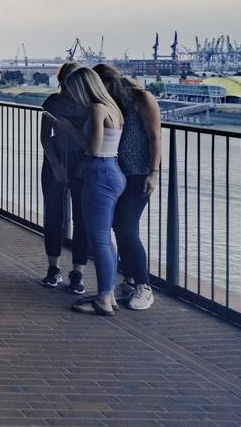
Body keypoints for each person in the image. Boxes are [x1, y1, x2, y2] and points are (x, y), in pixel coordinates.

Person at [43, 67, 126, 316]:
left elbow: (93, 148)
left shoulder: (97, 109)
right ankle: (108, 295)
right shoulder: (114, 107)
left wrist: (69, 130)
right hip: (113, 171)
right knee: (104, 241)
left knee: (99, 240)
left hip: (99, 172)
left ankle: (102, 298)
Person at [95, 64, 160, 310]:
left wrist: (153, 172)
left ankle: (144, 286)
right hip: (119, 173)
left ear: (110, 83)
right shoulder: (114, 103)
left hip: (139, 172)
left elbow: (155, 136)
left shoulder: (141, 98)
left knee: (126, 226)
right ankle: (130, 281)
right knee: (118, 226)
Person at [38, 62, 91, 294]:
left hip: (82, 162)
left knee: (82, 218)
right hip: (56, 160)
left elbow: (93, 142)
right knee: (53, 216)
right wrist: (55, 164)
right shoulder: (53, 101)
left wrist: (70, 131)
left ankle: (78, 272)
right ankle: (53, 268)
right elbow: (44, 136)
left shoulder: (92, 105)